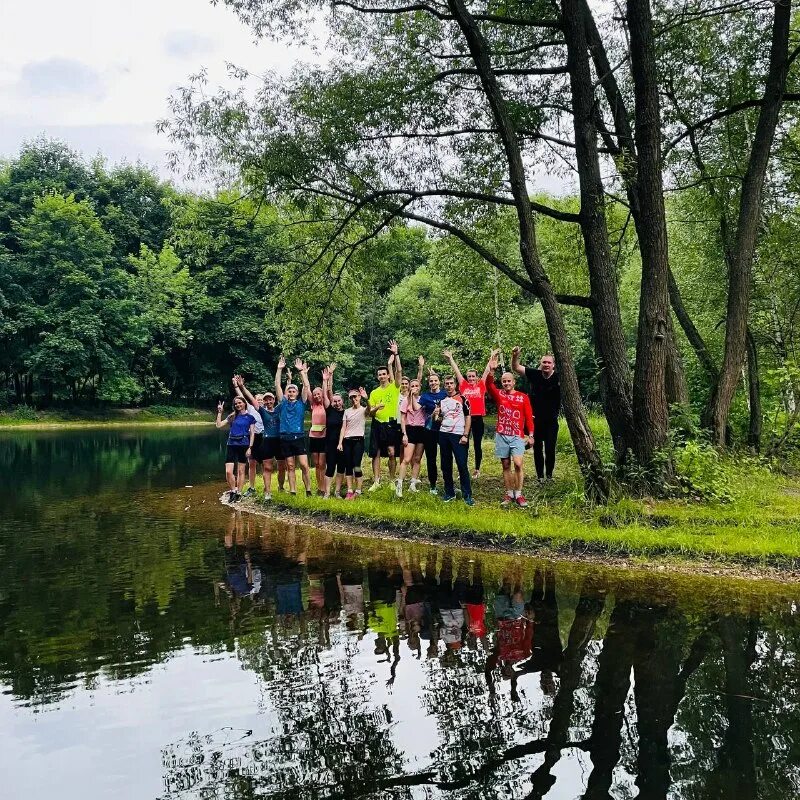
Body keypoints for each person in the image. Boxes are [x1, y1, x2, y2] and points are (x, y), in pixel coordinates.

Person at [485, 350, 534, 507]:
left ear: (514, 382)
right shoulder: (499, 395)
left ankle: (519, 494)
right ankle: (509, 494)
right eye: (503, 381)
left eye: (508, 381)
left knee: (518, 464)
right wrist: (491, 371)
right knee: (505, 465)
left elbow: (528, 416)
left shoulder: (522, 397)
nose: (506, 383)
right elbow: (488, 385)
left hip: (517, 435)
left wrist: (531, 434)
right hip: (502, 435)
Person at [512, 347, 561, 483]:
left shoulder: (559, 377)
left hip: (551, 421)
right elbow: (516, 367)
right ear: (541, 364)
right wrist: (515, 355)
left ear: (553, 365)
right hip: (536, 421)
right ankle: (540, 477)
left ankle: (549, 476)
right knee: (537, 449)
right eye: (544, 362)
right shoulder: (535, 374)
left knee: (550, 449)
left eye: (549, 363)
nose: (546, 364)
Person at [443, 349, 492, 480]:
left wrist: (492, 356)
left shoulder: (481, 385)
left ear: (476, 377)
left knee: (477, 444)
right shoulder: (463, 385)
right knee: (464, 444)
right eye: (469, 376)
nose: (471, 378)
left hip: (478, 418)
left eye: (473, 376)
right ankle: (462, 469)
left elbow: (487, 371)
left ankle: (477, 469)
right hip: (464, 419)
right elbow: (456, 371)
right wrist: (450, 359)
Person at [235, 376, 285, 501]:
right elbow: (250, 398)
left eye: (270, 400)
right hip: (267, 440)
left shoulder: (280, 408)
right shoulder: (262, 411)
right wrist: (241, 386)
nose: (268, 402)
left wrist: (281, 372)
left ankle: (281, 487)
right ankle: (267, 492)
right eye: (266, 400)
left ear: (274, 400)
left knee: (281, 466)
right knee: (267, 467)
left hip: (279, 441)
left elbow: (279, 391)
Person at [275, 356, 312, 496]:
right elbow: (277, 385)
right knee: (290, 466)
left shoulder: (301, 403)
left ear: (297, 393)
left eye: (293, 391)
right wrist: (279, 369)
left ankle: (308, 490)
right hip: (285, 437)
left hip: (298, 437)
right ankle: (293, 491)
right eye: (289, 391)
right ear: (287, 393)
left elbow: (306, 386)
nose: (291, 393)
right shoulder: (283, 402)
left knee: (304, 465)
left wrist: (302, 372)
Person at [367, 340, 402, 491]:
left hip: (391, 424)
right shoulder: (374, 392)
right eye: (379, 375)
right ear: (377, 377)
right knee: (376, 453)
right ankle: (376, 481)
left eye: (384, 374)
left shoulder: (395, 388)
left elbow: (399, 372)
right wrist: (376, 408)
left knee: (392, 452)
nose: (382, 376)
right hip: (377, 424)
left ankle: (392, 480)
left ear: (388, 375)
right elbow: (370, 413)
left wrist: (396, 354)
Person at [437, 375, 474, 505]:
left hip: (459, 434)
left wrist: (465, 435)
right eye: (446, 383)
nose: (449, 386)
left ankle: (467, 495)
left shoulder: (463, 398)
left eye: (451, 383)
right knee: (445, 465)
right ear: (444, 385)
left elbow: (468, 417)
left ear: (455, 385)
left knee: (462, 465)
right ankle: (449, 493)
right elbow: (439, 419)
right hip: (444, 434)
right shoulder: (441, 401)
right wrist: (436, 415)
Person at [215, 394, 256, 502]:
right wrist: (220, 412)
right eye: (236, 403)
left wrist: (250, 447)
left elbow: (252, 434)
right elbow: (218, 425)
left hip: (244, 444)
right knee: (228, 471)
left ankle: (239, 493)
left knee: (241, 471)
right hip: (231, 444)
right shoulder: (232, 416)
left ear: (244, 403)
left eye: (240, 403)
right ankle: (233, 490)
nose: (238, 405)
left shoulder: (250, 418)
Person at [232, 375, 265, 498]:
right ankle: (252, 487)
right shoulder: (251, 409)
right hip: (253, 438)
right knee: (251, 463)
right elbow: (241, 397)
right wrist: (236, 386)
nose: (260, 401)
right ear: (254, 401)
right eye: (258, 399)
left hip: (264, 438)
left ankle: (267, 486)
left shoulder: (267, 410)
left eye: (262, 400)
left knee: (265, 463)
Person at [418, 359, 448, 494]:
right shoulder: (425, 396)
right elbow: (416, 407)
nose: (433, 383)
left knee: (445, 457)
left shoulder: (445, 394)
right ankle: (433, 485)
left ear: (439, 382)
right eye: (431, 381)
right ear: (428, 383)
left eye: (435, 380)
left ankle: (448, 483)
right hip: (429, 430)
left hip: (444, 430)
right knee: (431, 458)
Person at [338, 386, 373, 499]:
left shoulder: (363, 410)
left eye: (355, 397)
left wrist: (366, 398)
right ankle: (349, 490)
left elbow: (369, 410)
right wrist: (340, 443)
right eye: (351, 397)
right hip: (347, 441)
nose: (354, 399)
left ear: (359, 397)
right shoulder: (347, 412)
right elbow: (343, 428)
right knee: (348, 466)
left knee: (357, 466)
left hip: (358, 441)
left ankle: (358, 490)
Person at [396, 376, 426, 496]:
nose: (414, 388)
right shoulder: (405, 401)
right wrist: (404, 434)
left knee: (417, 459)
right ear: (409, 387)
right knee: (406, 459)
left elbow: (420, 409)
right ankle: (400, 485)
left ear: (420, 387)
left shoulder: (423, 399)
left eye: (416, 386)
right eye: (412, 386)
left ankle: (413, 484)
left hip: (421, 429)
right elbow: (403, 419)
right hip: (410, 429)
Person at [322, 363, 346, 498]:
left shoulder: (347, 413)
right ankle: (327, 493)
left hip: (343, 444)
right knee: (330, 468)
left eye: (338, 401)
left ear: (342, 401)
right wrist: (326, 379)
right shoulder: (329, 410)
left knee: (341, 468)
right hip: (330, 444)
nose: (336, 403)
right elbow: (326, 394)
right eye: (334, 401)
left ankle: (337, 492)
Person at [308, 375, 328, 494]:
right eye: (315, 394)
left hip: (324, 437)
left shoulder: (325, 405)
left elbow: (326, 392)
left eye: (318, 394)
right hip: (313, 437)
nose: (316, 396)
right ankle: (319, 488)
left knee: (322, 464)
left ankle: (325, 487)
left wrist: (325, 380)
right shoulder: (313, 405)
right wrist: (304, 374)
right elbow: (307, 388)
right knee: (316, 464)